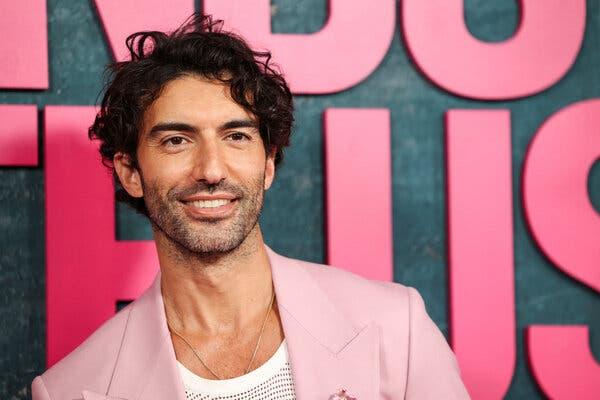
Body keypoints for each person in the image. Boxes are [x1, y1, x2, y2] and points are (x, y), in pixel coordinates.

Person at [31, 14, 470, 400]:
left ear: (267, 163)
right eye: (176, 140)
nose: (211, 170)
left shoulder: (396, 328)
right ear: (130, 172)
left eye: (236, 136)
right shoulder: (69, 390)